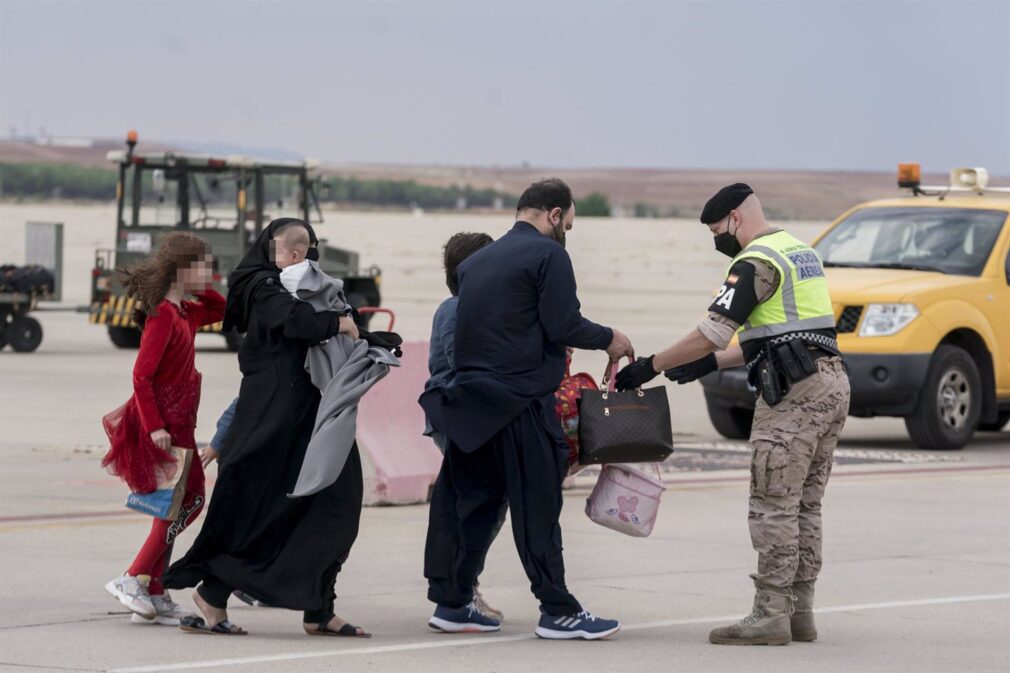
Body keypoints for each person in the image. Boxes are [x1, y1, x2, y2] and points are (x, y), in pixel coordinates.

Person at [615, 183, 850, 645]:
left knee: (772, 503)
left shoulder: (755, 262)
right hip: (831, 385)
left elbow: (712, 331)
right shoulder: (800, 252)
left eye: (717, 230)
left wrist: (653, 364)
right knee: (805, 505)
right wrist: (710, 364)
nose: (717, 241)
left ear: (736, 220)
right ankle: (799, 612)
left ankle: (769, 616)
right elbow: (787, 336)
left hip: (795, 397)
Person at [420, 178, 635, 640]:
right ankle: (558, 610)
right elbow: (562, 323)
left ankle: (453, 603)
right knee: (538, 505)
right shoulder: (548, 255)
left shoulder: (476, 262)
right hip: (521, 404)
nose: (566, 233)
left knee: (471, 505)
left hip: (472, 406)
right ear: (554, 214)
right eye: (568, 224)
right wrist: (609, 338)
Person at [163, 218, 366, 637]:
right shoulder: (259, 286)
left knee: (336, 506)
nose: (300, 257)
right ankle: (213, 594)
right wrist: (336, 323)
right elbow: (296, 322)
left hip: (311, 419)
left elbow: (331, 315)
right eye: (293, 248)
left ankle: (319, 607)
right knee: (263, 510)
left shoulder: (303, 284)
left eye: (307, 249)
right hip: (273, 423)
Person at [101, 232, 225, 626]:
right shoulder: (163, 316)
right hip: (166, 425)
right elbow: (141, 376)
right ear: (181, 270)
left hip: (183, 421)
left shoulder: (187, 310)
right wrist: (155, 427)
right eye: (203, 266)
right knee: (179, 505)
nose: (210, 274)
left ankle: (154, 587)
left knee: (186, 504)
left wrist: (202, 285)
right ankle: (132, 577)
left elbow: (222, 307)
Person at [422, 231, 505, 622]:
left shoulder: (472, 307)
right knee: (473, 506)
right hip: (460, 418)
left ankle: (465, 584)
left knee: (487, 504)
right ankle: (461, 590)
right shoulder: (456, 309)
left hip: (469, 418)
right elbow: (463, 363)